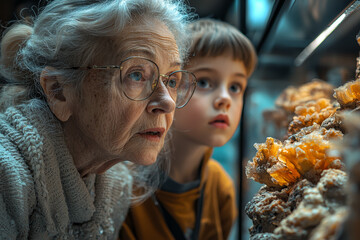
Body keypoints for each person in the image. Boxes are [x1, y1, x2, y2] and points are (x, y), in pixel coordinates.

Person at [0, 0, 197, 238]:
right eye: (136, 75)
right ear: (58, 91)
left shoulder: (114, 186)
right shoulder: (7, 178)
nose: (168, 102)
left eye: (172, 81)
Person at [120, 18, 257, 240]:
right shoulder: (122, 188)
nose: (225, 99)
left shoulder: (220, 187)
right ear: (169, 87)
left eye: (235, 87)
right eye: (204, 82)